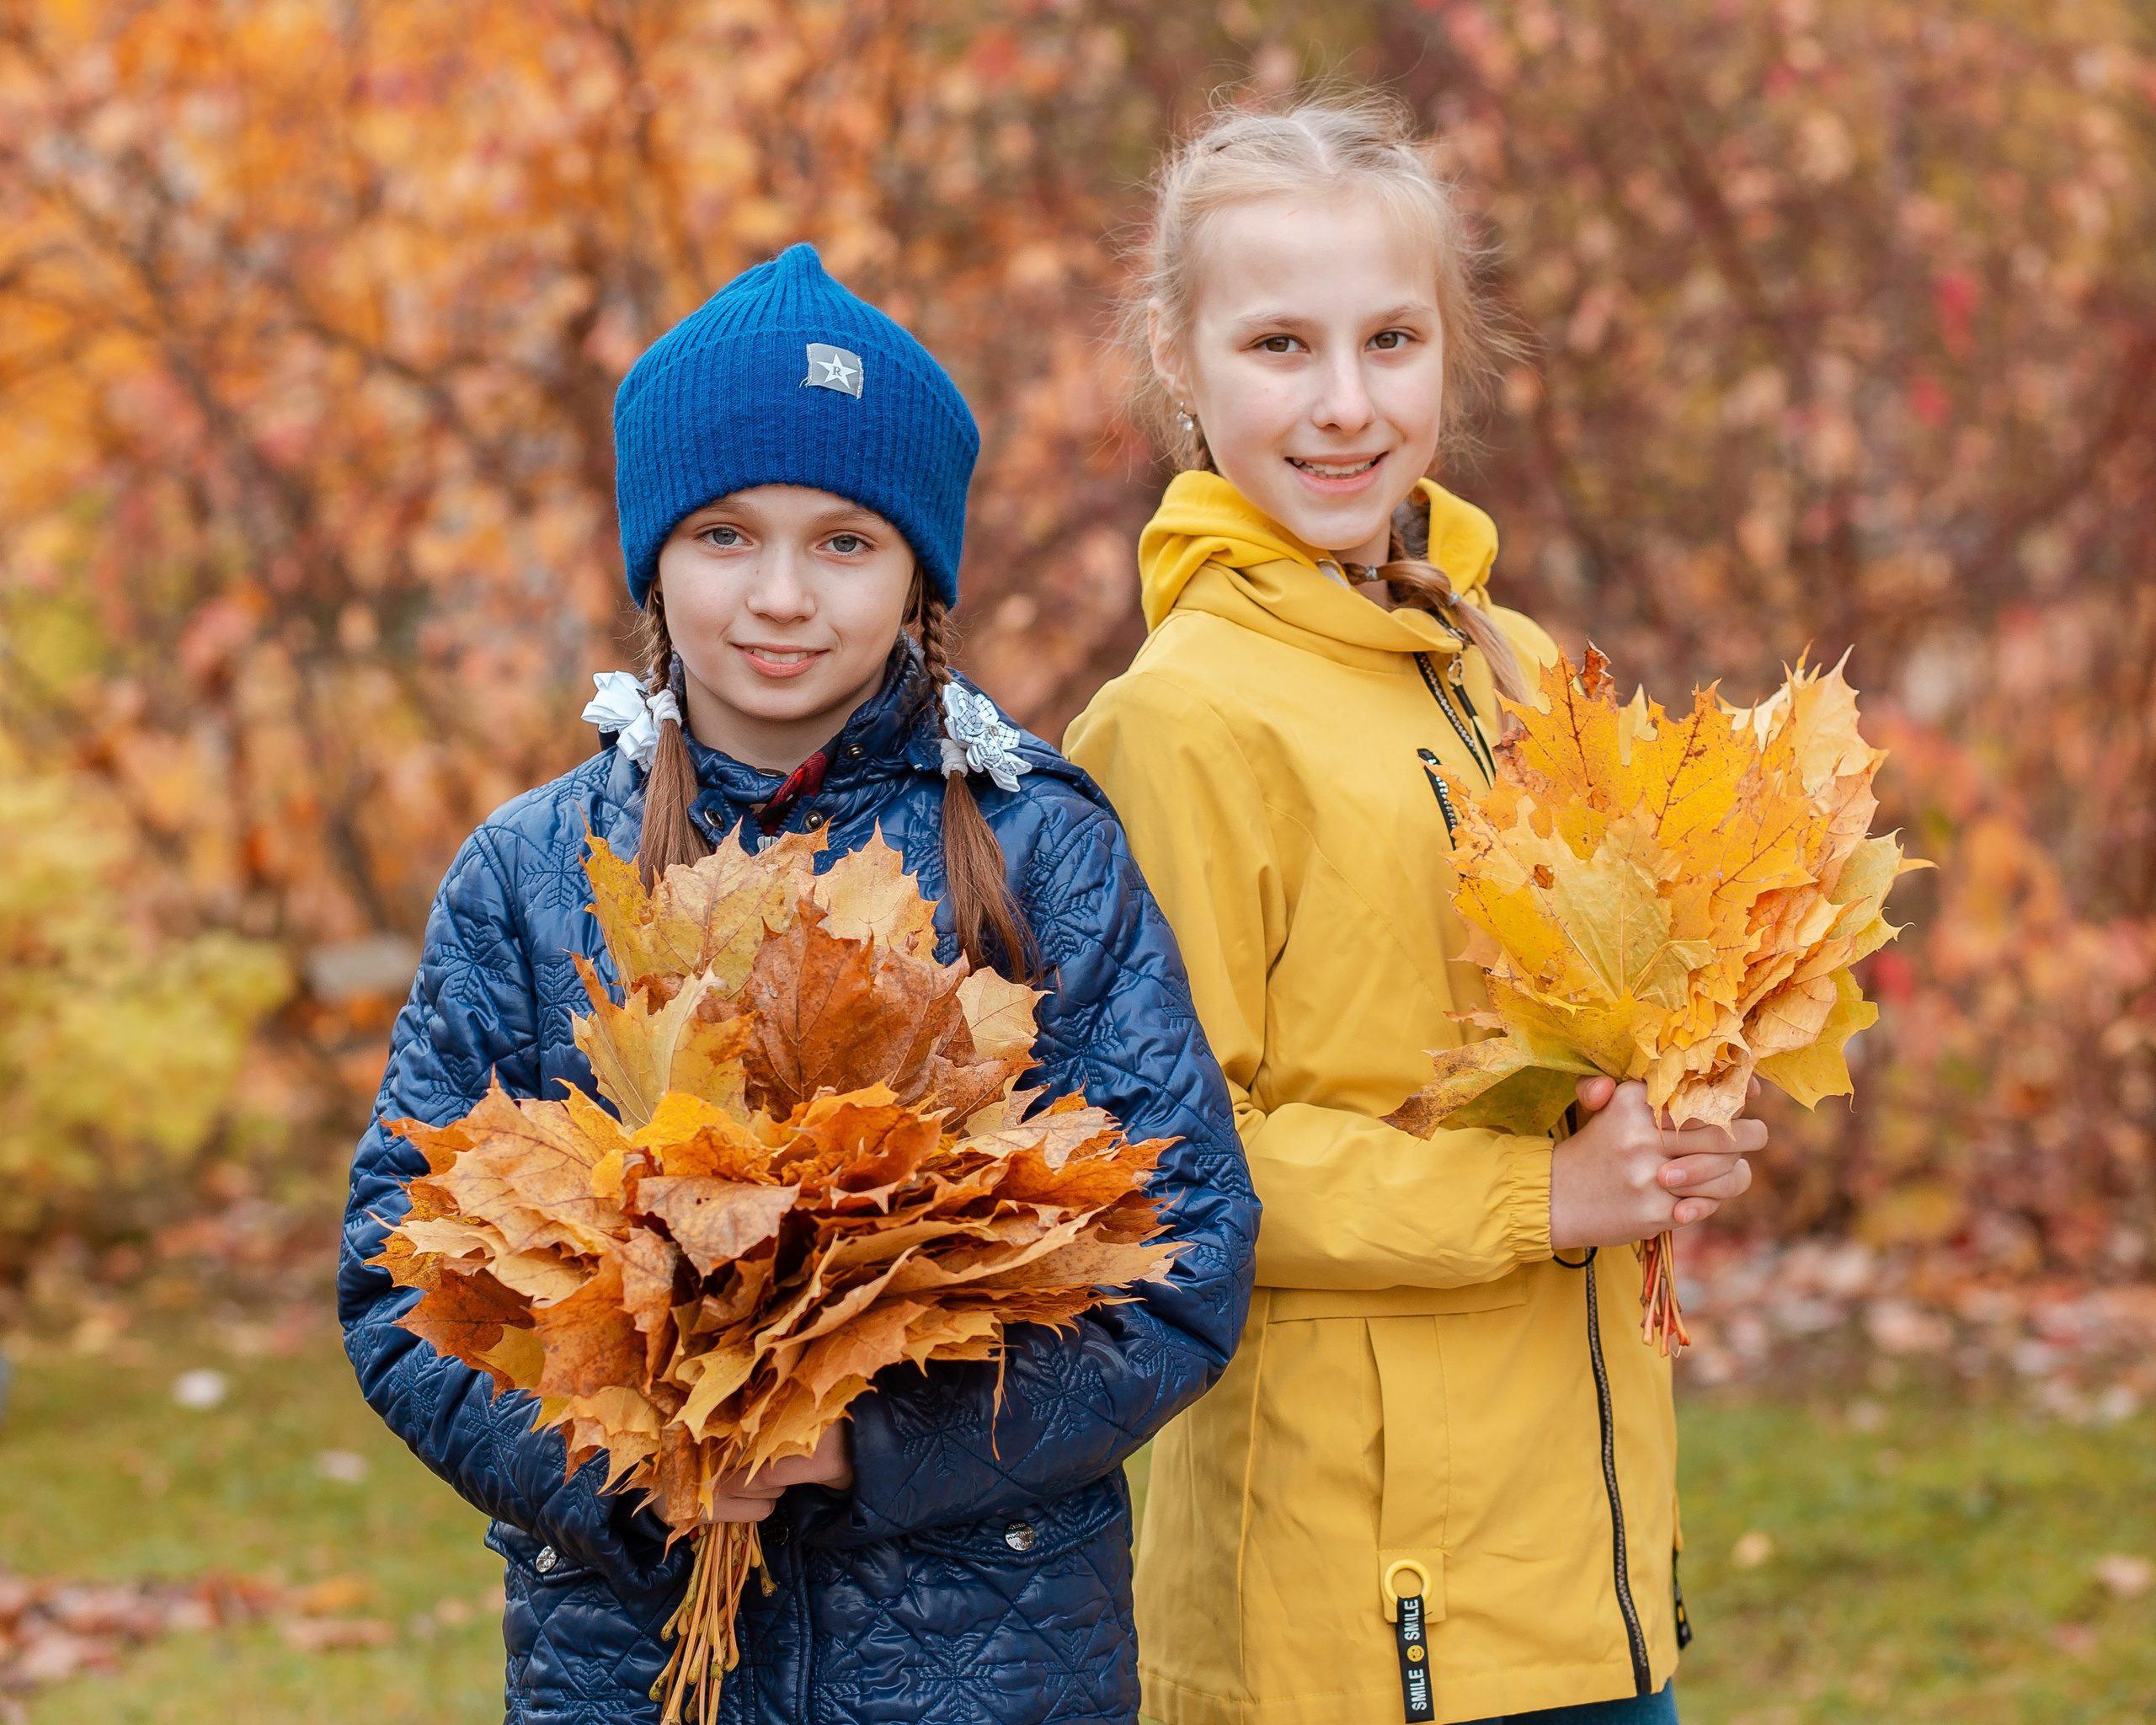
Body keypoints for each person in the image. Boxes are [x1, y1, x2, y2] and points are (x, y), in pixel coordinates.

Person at [339, 243, 1258, 1725]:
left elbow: (1187, 1256)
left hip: (991, 1664)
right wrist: (656, 1450)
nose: (780, 596)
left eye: (845, 543)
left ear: (919, 571)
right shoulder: (527, 874)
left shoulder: (1039, 855)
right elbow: (400, 1276)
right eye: (725, 536)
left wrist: (865, 1446)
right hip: (629, 1665)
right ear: (655, 556)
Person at [1063, 98, 1762, 1725]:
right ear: (1180, 360)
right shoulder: (1181, 721)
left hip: (1583, 1581)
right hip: (1353, 1620)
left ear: (1455, 344)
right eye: (1280, 345)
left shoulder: (1512, 663)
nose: (1347, 405)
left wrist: (1665, 1117)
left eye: (1392, 338)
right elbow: (1172, 1176)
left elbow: (1564, 1039)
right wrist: (1546, 1197)